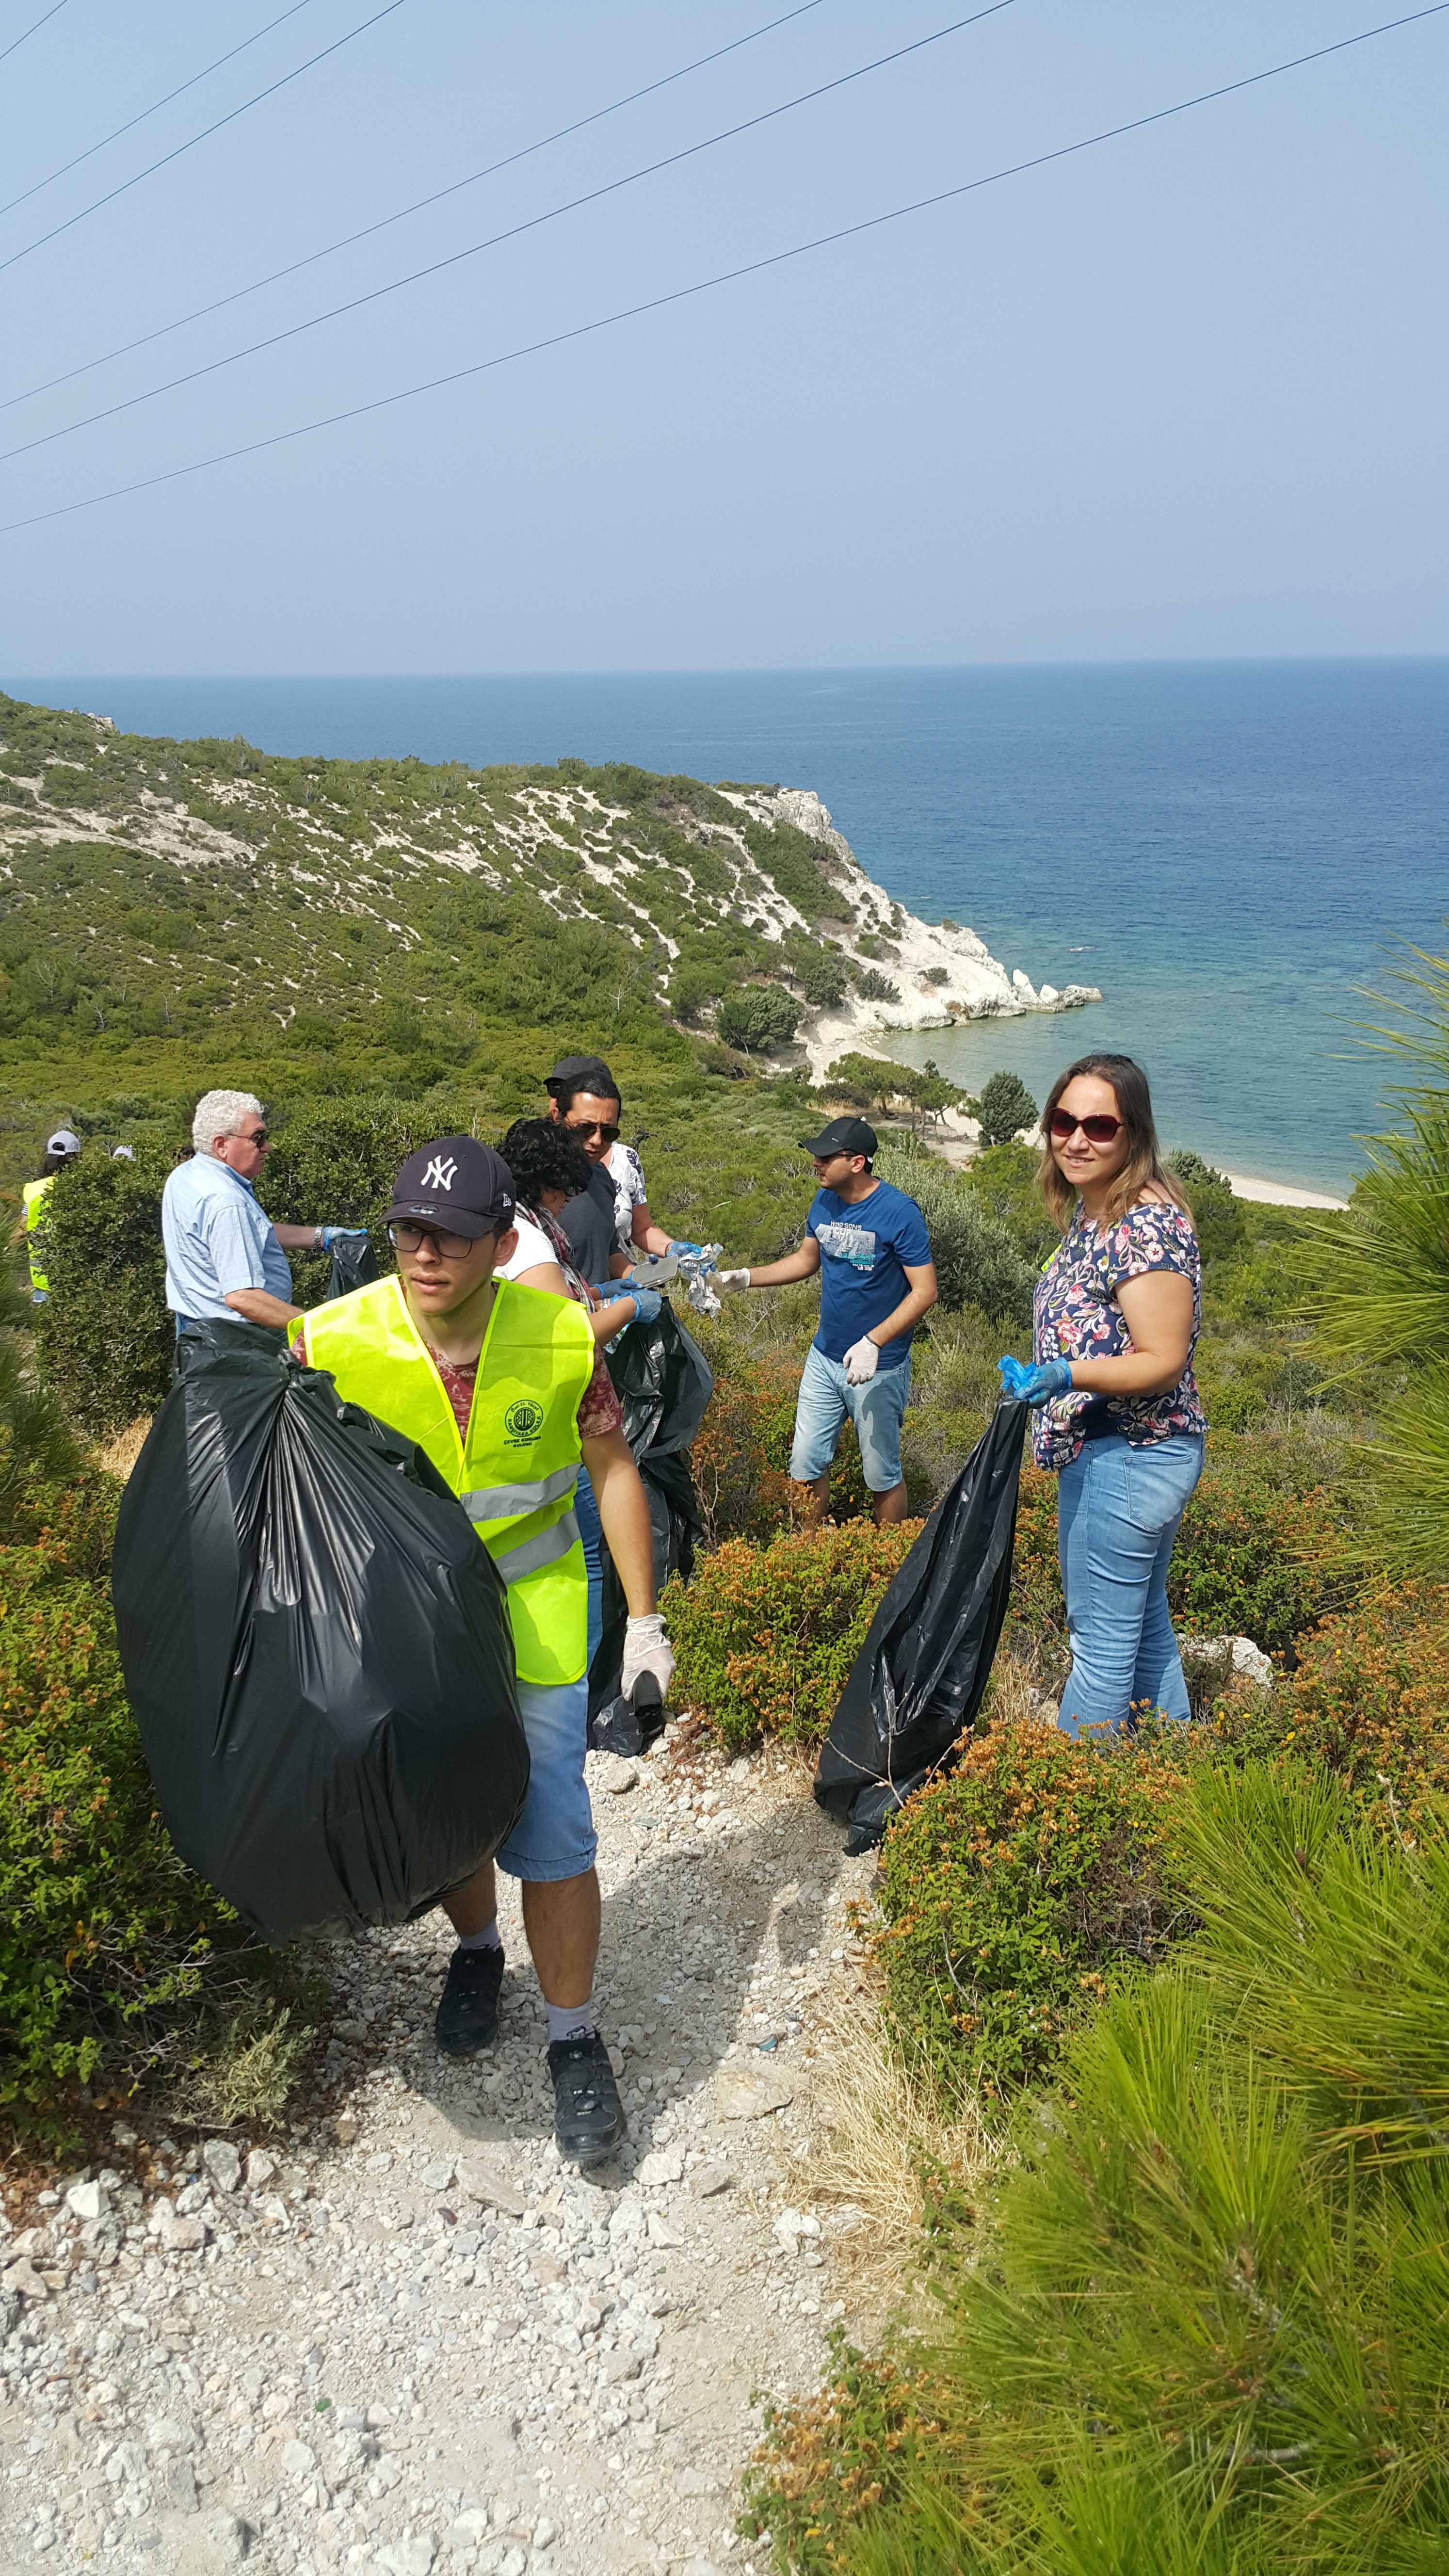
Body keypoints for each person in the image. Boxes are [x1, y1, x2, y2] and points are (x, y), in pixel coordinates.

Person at [298, 1135, 675, 2167]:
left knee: (554, 1822)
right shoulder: (328, 1339)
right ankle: (475, 1950)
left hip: (538, 1610)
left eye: (454, 1235)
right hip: (409, 1630)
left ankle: (574, 2035)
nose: (428, 1253)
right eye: (411, 1230)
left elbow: (612, 1467)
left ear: (501, 1241)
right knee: (455, 1806)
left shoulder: (560, 1335)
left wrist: (643, 1620)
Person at [997, 1052, 1207, 1736]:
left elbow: (1162, 1360)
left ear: (1134, 1135)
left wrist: (1065, 1374)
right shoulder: (1099, 1213)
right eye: (1063, 1120)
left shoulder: (1142, 1225)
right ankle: (1171, 1773)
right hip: (1125, 1453)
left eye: (1099, 1126)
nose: (1076, 1139)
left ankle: (1082, 1807)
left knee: (1101, 1647)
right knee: (1144, 1627)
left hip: (1128, 1456)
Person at [498, 1117, 664, 1669]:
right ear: (545, 1183)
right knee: (587, 1552)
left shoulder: (515, 1226)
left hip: (546, 1412)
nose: (569, 1202)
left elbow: (550, 1298)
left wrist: (599, 1289)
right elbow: (571, 1334)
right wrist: (627, 1307)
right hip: (561, 1414)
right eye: (564, 1190)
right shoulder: (529, 1242)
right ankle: (584, 1674)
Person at [717, 1114, 937, 1526]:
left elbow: (925, 1291)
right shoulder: (824, 1200)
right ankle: (808, 1552)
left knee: (881, 1473)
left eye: (825, 1155)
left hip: (879, 1367)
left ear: (857, 1162)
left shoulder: (899, 1212)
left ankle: (889, 1559)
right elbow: (806, 1260)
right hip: (824, 1358)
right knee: (805, 1462)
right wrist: (745, 1279)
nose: (816, 1163)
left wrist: (874, 1342)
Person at [161, 1089, 364, 1333]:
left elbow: (246, 1234)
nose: (267, 1147)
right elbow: (242, 1297)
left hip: (197, 1328)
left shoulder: (187, 1175)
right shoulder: (226, 1202)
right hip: (236, 1341)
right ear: (221, 1145)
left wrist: (322, 1236)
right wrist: (320, 1328)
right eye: (258, 1138)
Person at [543, 1054, 704, 1274]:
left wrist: (643, 1279)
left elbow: (607, 1248)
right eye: (585, 1128)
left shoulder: (603, 1173)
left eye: (608, 1131)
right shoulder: (532, 1176)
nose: (596, 1140)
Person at [20, 1128, 81, 1300]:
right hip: (77, 1277)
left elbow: (21, 1229)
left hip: (42, 1276)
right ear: (75, 1158)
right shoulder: (82, 1188)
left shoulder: (34, 1189)